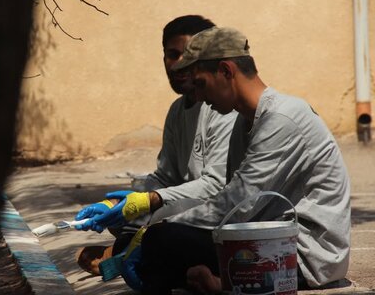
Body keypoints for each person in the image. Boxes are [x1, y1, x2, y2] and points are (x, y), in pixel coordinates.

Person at [126, 26, 350, 294]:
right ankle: (213, 281)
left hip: (302, 255)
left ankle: (218, 282)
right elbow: (229, 199)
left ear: (226, 71)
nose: (198, 97)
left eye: (200, 84)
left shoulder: (282, 117)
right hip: (260, 238)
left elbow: (238, 203)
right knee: (145, 240)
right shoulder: (243, 122)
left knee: (161, 239)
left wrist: (165, 226)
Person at [74, 15, 237, 276]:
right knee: (123, 215)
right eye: (171, 55)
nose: (178, 65)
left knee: (167, 214)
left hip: (217, 213)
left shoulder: (223, 108)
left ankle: (125, 253)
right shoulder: (177, 110)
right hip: (188, 204)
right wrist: (119, 203)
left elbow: (217, 186)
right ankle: (131, 249)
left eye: (187, 55)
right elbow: (165, 176)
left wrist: (147, 201)